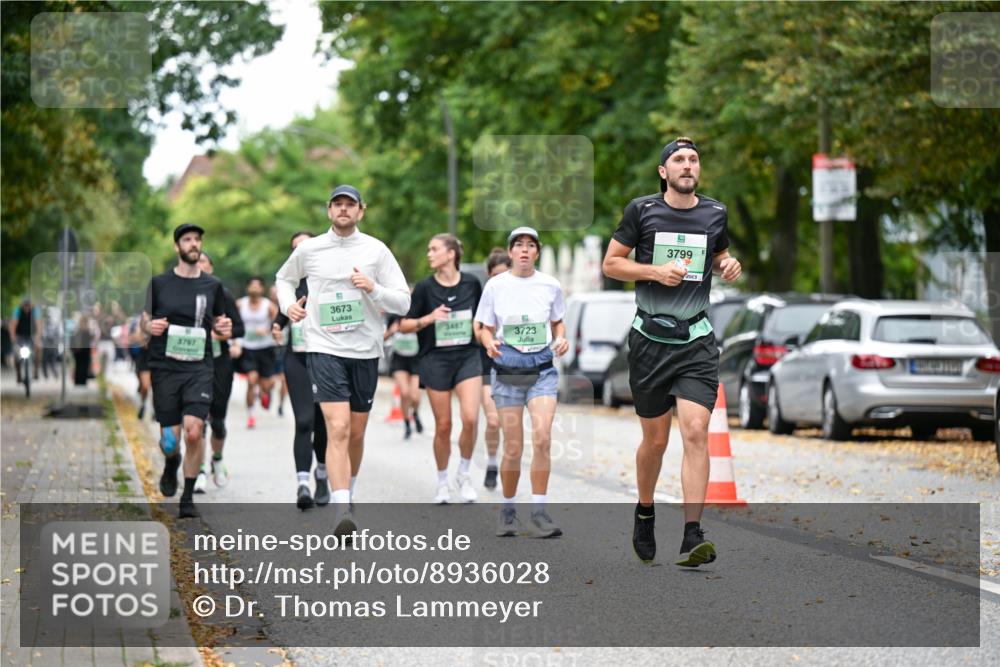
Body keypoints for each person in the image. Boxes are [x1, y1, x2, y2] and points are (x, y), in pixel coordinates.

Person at [602, 136, 742, 567]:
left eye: (693, 159)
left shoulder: (714, 212)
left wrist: (728, 264)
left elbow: (719, 254)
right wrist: (653, 272)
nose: (687, 165)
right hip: (650, 341)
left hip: (696, 340)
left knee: (696, 431)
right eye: (678, 160)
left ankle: (691, 535)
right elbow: (611, 263)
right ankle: (645, 510)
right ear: (664, 171)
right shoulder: (641, 211)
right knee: (655, 441)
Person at [276, 185, 410, 535]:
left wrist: (373, 288)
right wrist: (286, 304)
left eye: (350, 205)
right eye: (338, 204)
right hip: (324, 347)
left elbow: (403, 302)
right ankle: (340, 508)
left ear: (361, 212)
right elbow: (284, 279)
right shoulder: (310, 249)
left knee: (355, 433)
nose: (344, 209)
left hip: (365, 350)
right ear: (329, 210)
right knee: (337, 428)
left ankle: (347, 490)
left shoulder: (376, 250)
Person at [475, 227, 568, 538]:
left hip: (542, 369)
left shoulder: (551, 285)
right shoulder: (495, 286)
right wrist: (488, 342)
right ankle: (508, 510)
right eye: (519, 245)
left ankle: (539, 511)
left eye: (531, 245)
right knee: (513, 447)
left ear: (537, 252)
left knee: (542, 438)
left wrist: (562, 338)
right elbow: (484, 327)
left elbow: (557, 321)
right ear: (511, 252)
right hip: (508, 371)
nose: (525, 250)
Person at [143, 223, 232, 518]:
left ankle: (188, 496)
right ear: (177, 247)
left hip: (199, 367)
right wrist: (149, 326)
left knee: (194, 432)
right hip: (165, 367)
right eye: (187, 240)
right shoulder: (159, 284)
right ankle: (171, 462)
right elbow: (143, 321)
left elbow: (221, 322)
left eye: (197, 239)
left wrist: (224, 327)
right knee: (171, 440)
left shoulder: (213, 285)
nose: (193, 244)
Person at [400, 234, 483, 504]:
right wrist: (429, 318)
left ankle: (464, 473)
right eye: (428, 249)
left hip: (467, 356)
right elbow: (404, 324)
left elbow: (482, 318)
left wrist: (487, 336)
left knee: (470, 418)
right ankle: (443, 481)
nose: (429, 254)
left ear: (451, 254)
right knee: (444, 425)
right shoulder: (424, 288)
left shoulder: (472, 283)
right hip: (435, 359)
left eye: (434, 249)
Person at [271, 231, 330, 510]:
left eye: (305, 246)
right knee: (304, 420)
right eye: (295, 248)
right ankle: (303, 484)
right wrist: (276, 329)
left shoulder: (331, 278)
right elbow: (279, 320)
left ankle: (322, 474)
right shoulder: (289, 284)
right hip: (297, 359)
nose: (301, 251)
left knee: (323, 423)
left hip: (327, 359)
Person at [193, 252, 245, 494]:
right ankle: (200, 469)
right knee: (198, 420)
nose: (200, 266)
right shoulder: (182, 294)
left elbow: (240, 328)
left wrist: (222, 334)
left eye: (204, 262)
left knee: (219, 423)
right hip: (193, 364)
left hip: (219, 363)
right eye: (196, 262)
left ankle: (217, 458)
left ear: (211, 268)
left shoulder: (222, 293)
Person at [475, 248, 511, 490]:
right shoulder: (484, 296)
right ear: (489, 275)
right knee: (493, 420)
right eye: (496, 274)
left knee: (510, 423)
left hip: (514, 365)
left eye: (504, 274)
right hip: (487, 363)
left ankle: (508, 465)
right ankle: (491, 462)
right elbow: (476, 330)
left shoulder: (521, 294)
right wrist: (487, 338)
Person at [237, 277, 279, 429]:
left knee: (267, 384)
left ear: (262, 289)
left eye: (257, 286)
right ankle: (251, 416)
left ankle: (264, 393)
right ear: (247, 288)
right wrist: (235, 343)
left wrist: (267, 330)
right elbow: (234, 322)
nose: (254, 288)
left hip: (265, 348)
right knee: (251, 380)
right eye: (252, 285)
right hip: (248, 348)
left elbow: (278, 324)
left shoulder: (269, 306)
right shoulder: (240, 304)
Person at [384, 308, 423, 439]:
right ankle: (407, 423)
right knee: (405, 393)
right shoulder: (394, 317)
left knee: (416, 396)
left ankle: (416, 413)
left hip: (416, 359)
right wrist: (391, 331)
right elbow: (382, 338)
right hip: (399, 360)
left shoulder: (418, 316)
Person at [127, 314, 152, 419]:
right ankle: (143, 404)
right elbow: (134, 338)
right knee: (145, 386)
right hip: (144, 358)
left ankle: (155, 410)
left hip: (158, 357)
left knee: (158, 388)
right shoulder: (140, 322)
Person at [269, 284, 289, 417]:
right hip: (268, 347)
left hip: (285, 346)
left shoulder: (290, 306)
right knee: (269, 380)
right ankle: (266, 393)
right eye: (273, 292)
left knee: (284, 379)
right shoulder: (267, 307)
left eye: (278, 292)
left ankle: (281, 404)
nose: (276, 294)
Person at [9, 298, 41, 382]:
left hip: (32, 335)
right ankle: (18, 374)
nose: (26, 308)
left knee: (38, 349)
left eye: (28, 306)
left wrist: (38, 337)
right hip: (20, 335)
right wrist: (13, 336)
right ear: (22, 306)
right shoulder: (17, 311)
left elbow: (38, 325)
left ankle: (36, 371)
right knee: (17, 354)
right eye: (25, 306)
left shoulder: (35, 311)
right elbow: (13, 325)